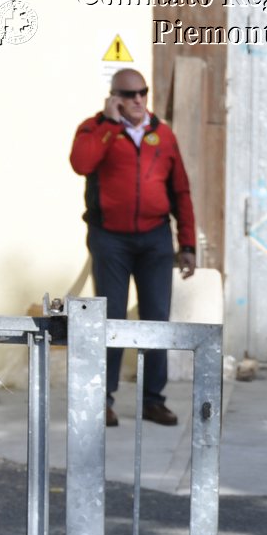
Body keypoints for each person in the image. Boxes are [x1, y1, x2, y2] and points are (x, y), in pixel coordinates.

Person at [69, 67, 197, 428]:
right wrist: (110, 126)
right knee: (109, 319)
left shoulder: (164, 135)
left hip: (155, 239)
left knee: (157, 318)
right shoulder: (94, 130)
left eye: (143, 92)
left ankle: (152, 400)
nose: (138, 99)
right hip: (110, 238)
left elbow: (181, 192)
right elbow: (82, 163)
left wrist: (186, 243)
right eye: (128, 95)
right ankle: (104, 399)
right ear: (114, 98)